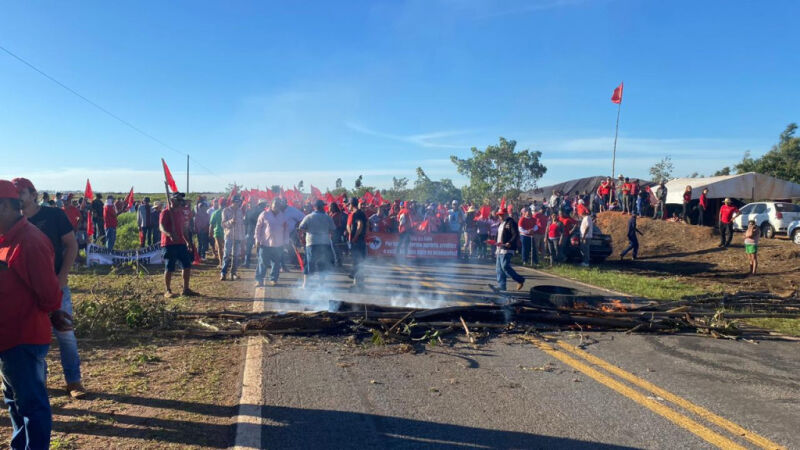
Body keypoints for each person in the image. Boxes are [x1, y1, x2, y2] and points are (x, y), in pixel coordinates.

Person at [0, 179, 63, 450]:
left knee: (31, 407)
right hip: (7, 339)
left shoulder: (30, 242)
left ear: (5, 207)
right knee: (15, 403)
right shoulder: (6, 239)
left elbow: (49, 295)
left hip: (22, 340)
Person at [14, 177, 85, 399]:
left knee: (65, 334)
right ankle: (39, 382)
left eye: (21, 193)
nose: (17, 198)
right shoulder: (10, 221)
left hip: (56, 286)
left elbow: (71, 245)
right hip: (24, 291)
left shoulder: (53, 215)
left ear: (33, 195)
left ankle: (73, 381)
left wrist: (61, 278)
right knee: (32, 336)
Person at [159, 192, 197, 297]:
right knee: (169, 267)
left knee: (186, 265)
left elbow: (183, 229)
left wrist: (188, 242)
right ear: (172, 201)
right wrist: (169, 234)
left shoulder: (181, 213)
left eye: (181, 200)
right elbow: (161, 227)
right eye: (179, 200)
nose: (181, 202)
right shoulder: (165, 212)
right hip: (169, 244)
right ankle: (168, 290)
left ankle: (186, 289)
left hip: (181, 243)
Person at [298, 200, 336, 288]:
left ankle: (305, 284)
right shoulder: (328, 217)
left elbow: (301, 228)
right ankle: (321, 285)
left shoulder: (309, 217)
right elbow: (332, 230)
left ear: (314, 207)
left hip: (312, 243)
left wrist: (308, 232)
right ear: (322, 207)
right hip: (324, 243)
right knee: (322, 264)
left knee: (308, 264)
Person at [490, 208, 525, 292]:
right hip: (499, 248)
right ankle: (502, 286)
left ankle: (520, 280)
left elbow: (515, 234)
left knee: (505, 266)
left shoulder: (511, 222)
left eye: (502, 215)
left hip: (507, 248)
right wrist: (493, 242)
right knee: (499, 268)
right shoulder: (500, 224)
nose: (500, 217)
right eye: (499, 215)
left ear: (506, 214)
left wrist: (510, 242)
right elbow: (498, 235)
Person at [255, 199, 288, 287]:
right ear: (270, 205)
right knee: (262, 262)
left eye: (278, 206)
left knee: (276, 263)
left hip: (278, 244)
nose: (276, 207)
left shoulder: (283, 216)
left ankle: (273, 279)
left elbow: (286, 230)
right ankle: (259, 280)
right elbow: (258, 228)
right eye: (274, 205)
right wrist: (257, 240)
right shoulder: (264, 214)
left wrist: (285, 241)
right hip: (265, 243)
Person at [221, 195, 245, 281]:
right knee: (226, 255)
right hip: (229, 236)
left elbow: (242, 224)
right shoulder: (226, 210)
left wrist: (243, 237)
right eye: (236, 201)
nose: (238, 203)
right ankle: (223, 273)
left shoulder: (240, 211)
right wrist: (231, 221)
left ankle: (233, 273)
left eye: (239, 202)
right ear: (232, 201)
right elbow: (223, 224)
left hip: (238, 236)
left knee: (236, 256)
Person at [347, 197, 368, 289]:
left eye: (349, 204)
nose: (348, 206)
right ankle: (359, 283)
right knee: (359, 262)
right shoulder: (360, 213)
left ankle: (358, 283)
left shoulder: (357, 213)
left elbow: (360, 225)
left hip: (357, 241)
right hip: (360, 240)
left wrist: (355, 237)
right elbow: (367, 226)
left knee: (357, 261)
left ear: (352, 204)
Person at [243, 198, 262, 268]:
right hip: (249, 233)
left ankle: (260, 263)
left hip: (258, 233)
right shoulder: (248, 211)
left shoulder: (260, 211)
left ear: (255, 203)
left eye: (252, 202)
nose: (250, 204)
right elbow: (246, 223)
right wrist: (245, 233)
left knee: (259, 249)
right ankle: (246, 263)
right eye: (249, 202)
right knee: (248, 249)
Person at [209, 199, 225, 268]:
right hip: (226, 232)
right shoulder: (227, 212)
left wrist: (210, 232)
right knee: (225, 248)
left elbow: (211, 224)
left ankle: (221, 263)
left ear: (219, 204)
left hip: (218, 232)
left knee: (219, 248)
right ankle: (224, 262)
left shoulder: (215, 213)